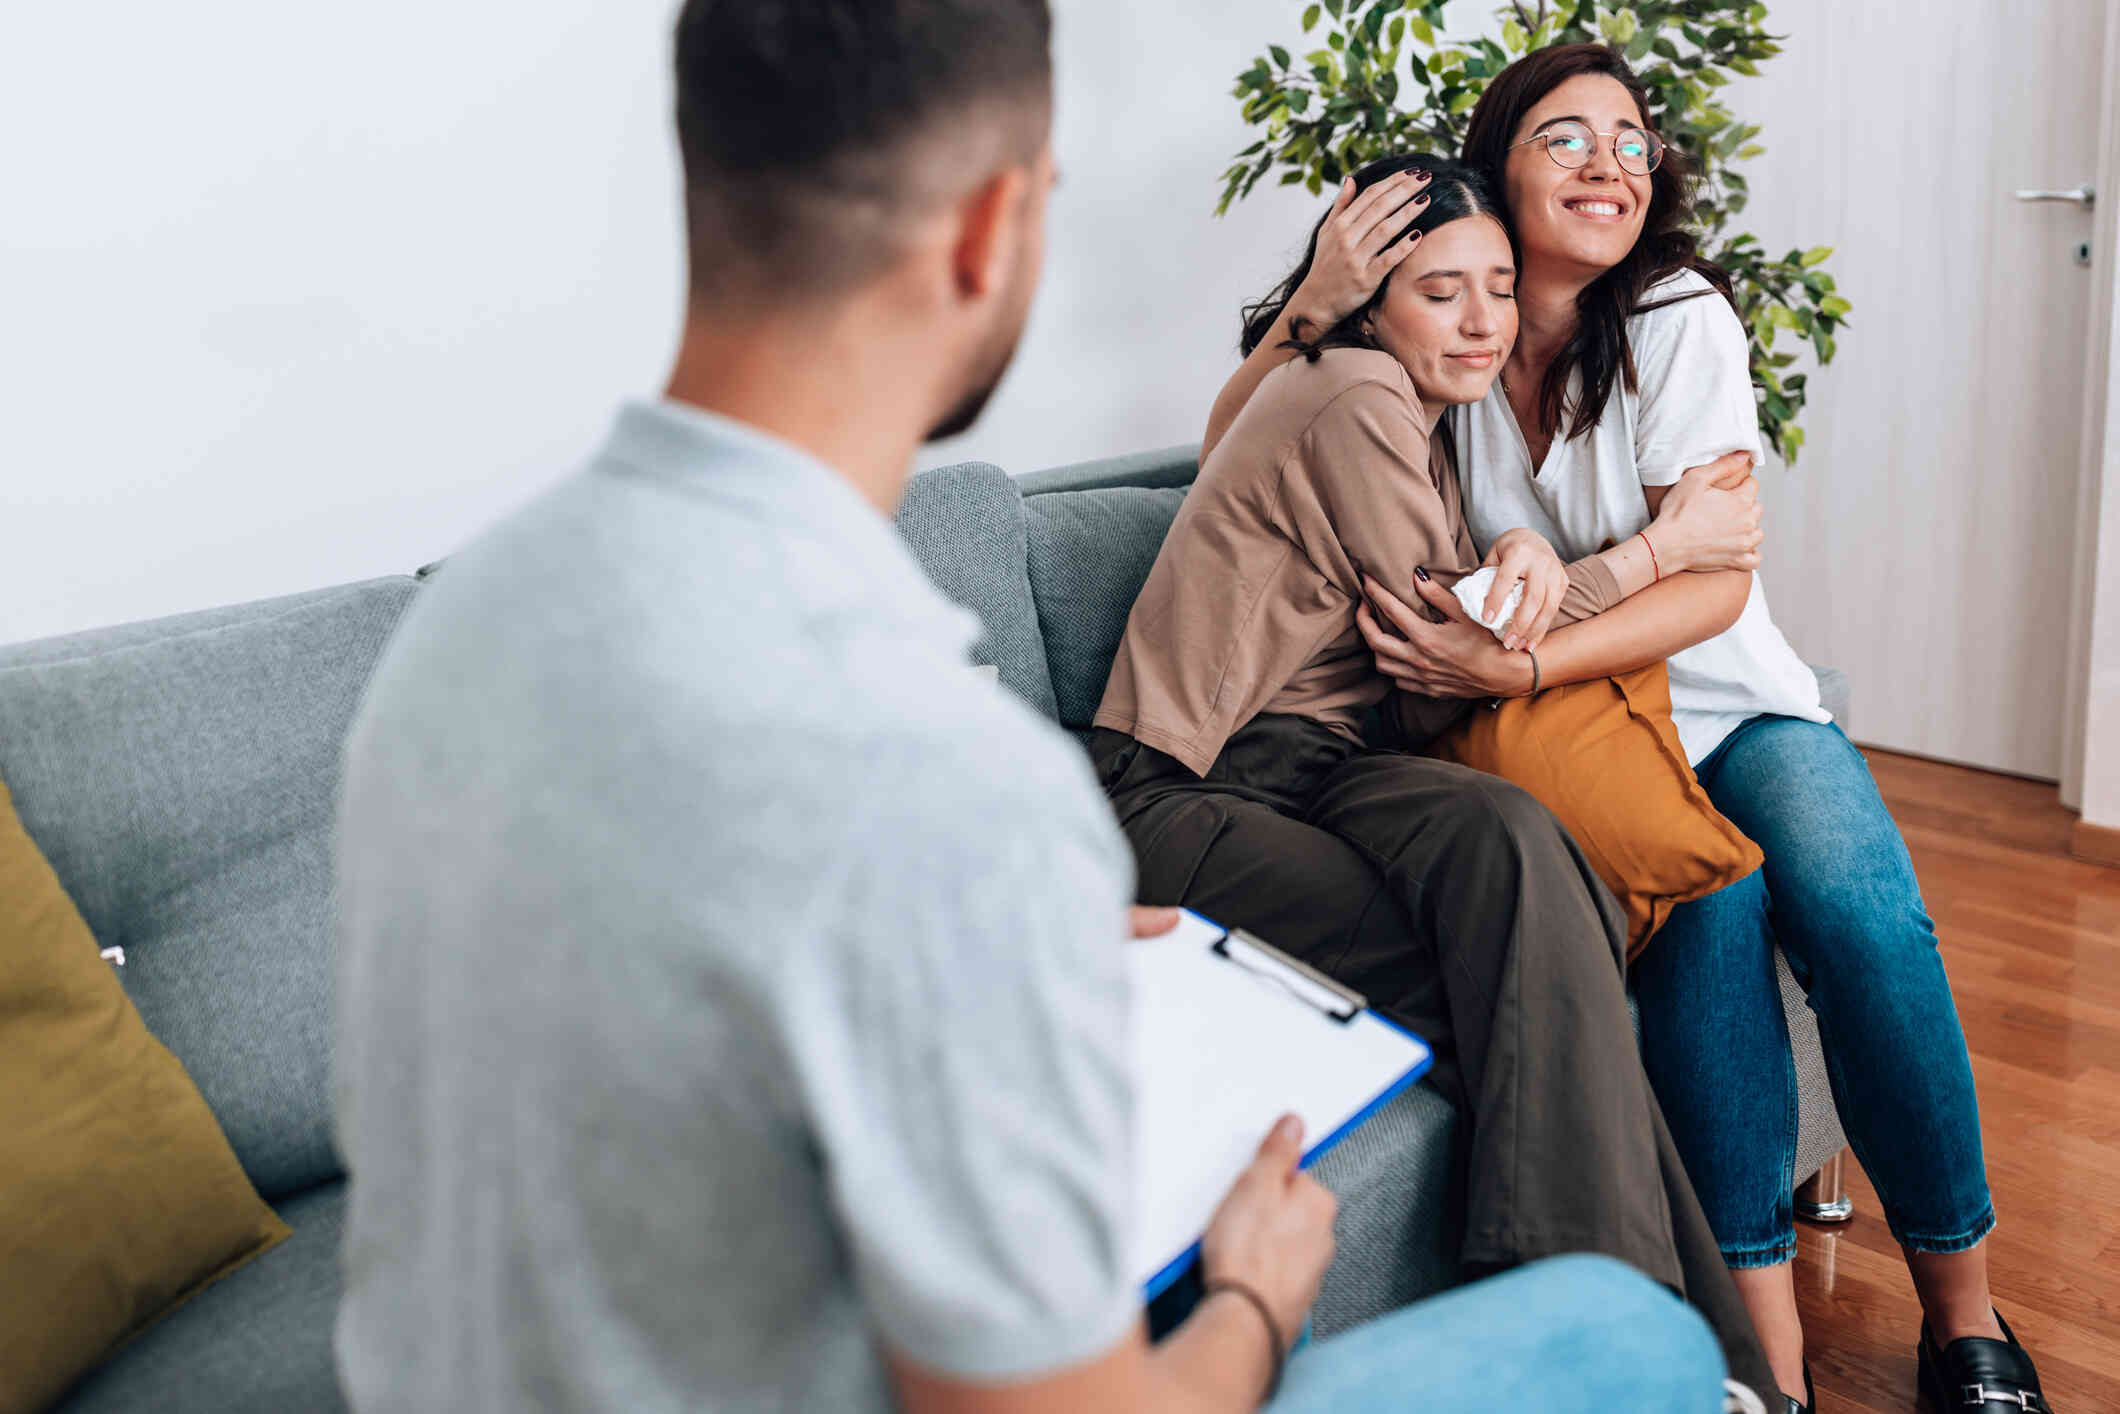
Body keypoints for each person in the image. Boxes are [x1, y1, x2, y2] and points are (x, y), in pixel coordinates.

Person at [330, 4, 1731, 1412]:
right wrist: (1254, 1289)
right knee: (1635, 1348)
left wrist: (989, 949)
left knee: (1509, 878)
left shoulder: (454, 625)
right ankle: (1698, 1351)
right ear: (996, 227)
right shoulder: (962, 790)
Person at [1207, 40, 2050, 1414]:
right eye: (1567, 137)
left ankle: (1966, 1321)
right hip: (1582, 743)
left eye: (1630, 139)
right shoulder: (1445, 336)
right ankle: (1768, 1362)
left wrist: (1521, 662)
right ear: (1499, 163)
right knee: (1707, 924)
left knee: (1862, 906)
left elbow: (1719, 580)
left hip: (1725, 707)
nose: (1612, 161)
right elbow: (1230, 441)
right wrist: (1315, 297)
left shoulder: (1677, 318)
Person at [1096, 152, 1777, 1403]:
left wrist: (1516, 545)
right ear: (1371, 305)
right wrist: (1655, 551)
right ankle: (1640, 1350)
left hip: (1327, 765)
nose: (1481, 321)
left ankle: (1685, 1362)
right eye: (1438, 292)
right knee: (1519, 985)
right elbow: (1449, 657)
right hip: (1185, 791)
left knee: (1516, 843)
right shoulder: (1352, 389)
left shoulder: (1426, 419)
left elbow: (1458, 625)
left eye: (1498, 289)